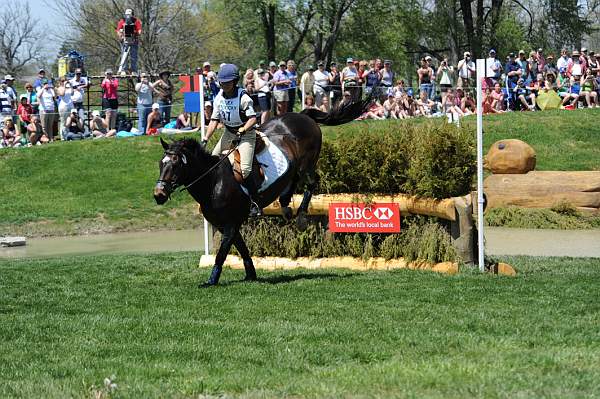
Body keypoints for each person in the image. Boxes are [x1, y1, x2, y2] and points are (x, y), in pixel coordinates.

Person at [202, 63, 261, 217]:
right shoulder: (219, 98)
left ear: (235, 82)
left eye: (227, 82)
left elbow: (253, 119)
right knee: (213, 162)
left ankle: (255, 202)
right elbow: (214, 120)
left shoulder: (244, 97)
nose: (224, 85)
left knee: (245, 170)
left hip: (246, 134)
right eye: (222, 82)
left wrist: (243, 130)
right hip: (228, 133)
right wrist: (206, 138)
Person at [116, 8, 142, 74]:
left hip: (134, 40)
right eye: (127, 14)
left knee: (134, 56)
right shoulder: (122, 21)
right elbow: (118, 30)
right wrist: (121, 36)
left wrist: (136, 33)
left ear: (132, 15)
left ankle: (134, 70)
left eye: (129, 14)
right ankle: (123, 70)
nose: (128, 16)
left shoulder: (136, 21)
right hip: (124, 41)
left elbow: (139, 30)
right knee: (124, 55)